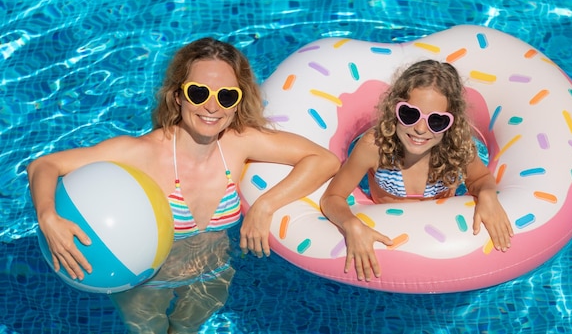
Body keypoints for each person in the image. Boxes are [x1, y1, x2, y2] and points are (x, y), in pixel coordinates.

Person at [28, 37, 340, 333]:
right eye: (198, 93)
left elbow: (323, 160)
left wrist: (265, 206)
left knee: (187, 330)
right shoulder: (142, 152)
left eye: (227, 96)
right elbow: (45, 165)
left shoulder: (237, 144)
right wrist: (48, 217)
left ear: (238, 102)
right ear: (178, 96)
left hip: (213, 273)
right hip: (146, 283)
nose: (212, 107)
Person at [319, 59, 513, 283]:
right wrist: (351, 224)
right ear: (395, 108)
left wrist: (487, 194)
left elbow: (479, 178)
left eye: (437, 121)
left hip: (442, 243)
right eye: (410, 114)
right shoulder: (375, 147)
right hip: (390, 242)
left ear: (452, 123)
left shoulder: (457, 147)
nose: (421, 129)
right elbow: (332, 198)